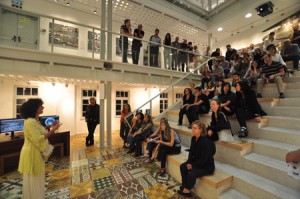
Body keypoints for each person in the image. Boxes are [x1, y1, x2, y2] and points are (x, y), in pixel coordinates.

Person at [18, 98, 61, 199]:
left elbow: (40, 132)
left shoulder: (35, 121)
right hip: (31, 153)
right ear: (34, 108)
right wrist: (53, 129)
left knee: (37, 178)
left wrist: (50, 126)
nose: (43, 107)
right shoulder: (30, 122)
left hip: (35, 152)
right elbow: (38, 139)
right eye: (40, 106)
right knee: (34, 178)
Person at [178, 120, 215, 197]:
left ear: (200, 130)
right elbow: (191, 152)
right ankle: (184, 186)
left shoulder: (205, 141)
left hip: (207, 166)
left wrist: (193, 166)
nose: (193, 129)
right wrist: (189, 162)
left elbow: (204, 159)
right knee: (183, 166)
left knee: (192, 174)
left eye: (195, 128)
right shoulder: (193, 138)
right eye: (192, 128)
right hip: (197, 162)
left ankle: (187, 190)